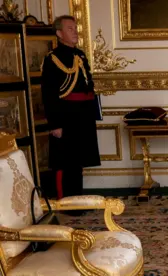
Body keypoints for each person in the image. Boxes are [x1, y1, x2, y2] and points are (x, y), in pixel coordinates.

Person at [41, 15, 101, 210]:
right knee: (64, 162)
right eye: (70, 29)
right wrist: (55, 124)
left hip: (82, 116)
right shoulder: (53, 59)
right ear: (59, 33)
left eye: (75, 28)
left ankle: (78, 202)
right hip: (64, 116)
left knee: (78, 161)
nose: (75, 32)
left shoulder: (80, 56)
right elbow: (49, 94)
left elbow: (87, 86)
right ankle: (64, 203)